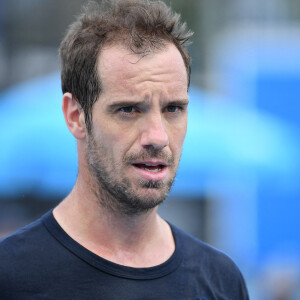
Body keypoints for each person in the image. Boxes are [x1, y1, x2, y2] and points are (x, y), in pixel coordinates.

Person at [0, 0, 249, 299]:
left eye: (173, 108)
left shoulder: (221, 281)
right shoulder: (11, 276)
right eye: (129, 109)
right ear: (76, 116)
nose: (158, 137)